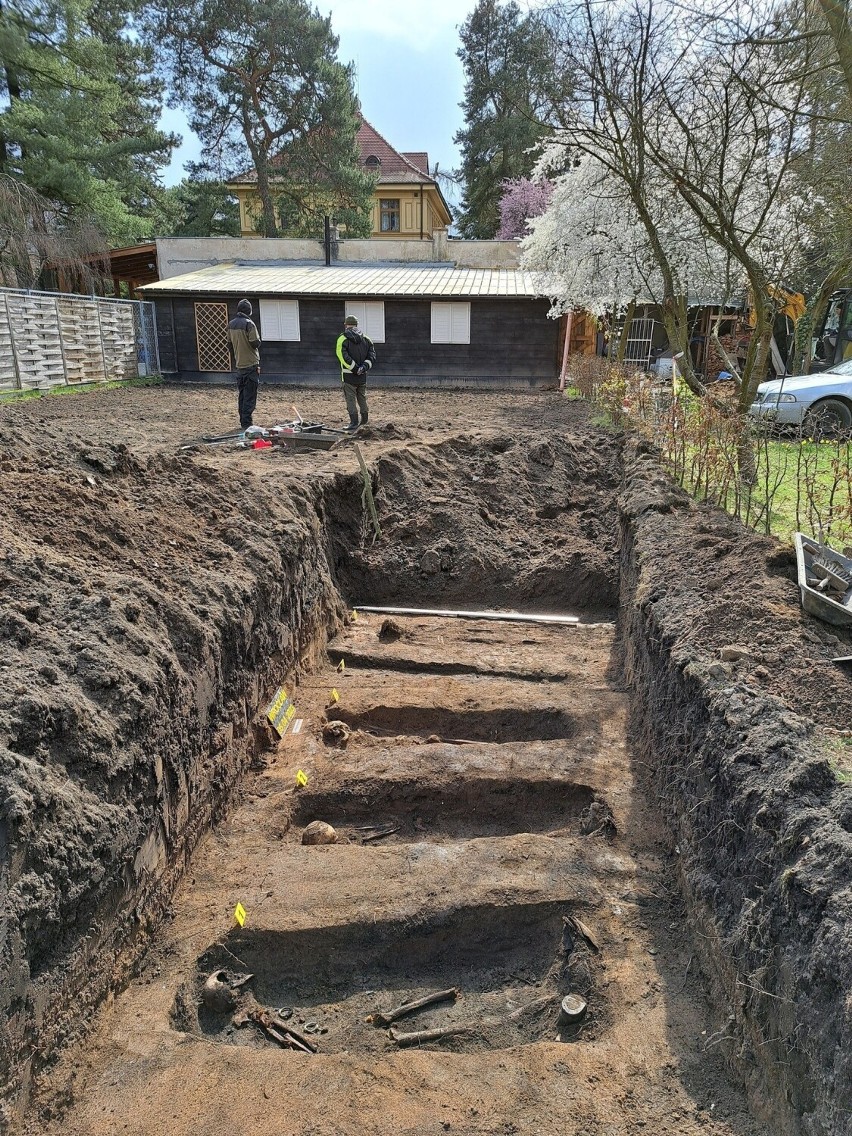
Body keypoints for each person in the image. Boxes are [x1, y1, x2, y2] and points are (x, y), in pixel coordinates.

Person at [336, 314, 376, 432]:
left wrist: (354, 368)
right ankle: (364, 420)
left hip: (349, 375)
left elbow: (342, 356)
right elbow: (372, 356)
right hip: (362, 375)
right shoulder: (367, 339)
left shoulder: (342, 339)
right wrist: (363, 368)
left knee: (351, 399)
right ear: (357, 325)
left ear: (345, 325)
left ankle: (353, 423)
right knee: (362, 397)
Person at [228, 298, 261, 429]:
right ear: (249, 311)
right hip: (251, 363)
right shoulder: (249, 324)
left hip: (239, 365)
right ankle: (247, 423)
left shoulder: (230, 324)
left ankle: (243, 420)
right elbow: (255, 343)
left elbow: (229, 345)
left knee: (242, 394)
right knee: (250, 395)